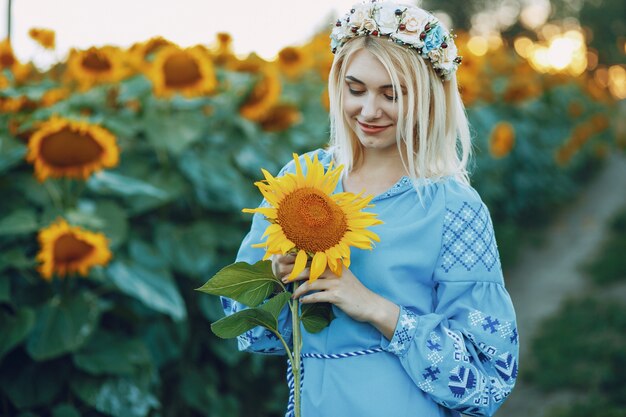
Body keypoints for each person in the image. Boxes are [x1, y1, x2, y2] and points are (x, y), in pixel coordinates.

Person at [221, 2, 519, 416]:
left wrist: (379, 309)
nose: (368, 111)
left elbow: (488, 380)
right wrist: (274, 277)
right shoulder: (303, 180)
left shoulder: (454, 208)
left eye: (391, 94)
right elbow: (246, 327)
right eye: (355, 89)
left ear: (427, 97)